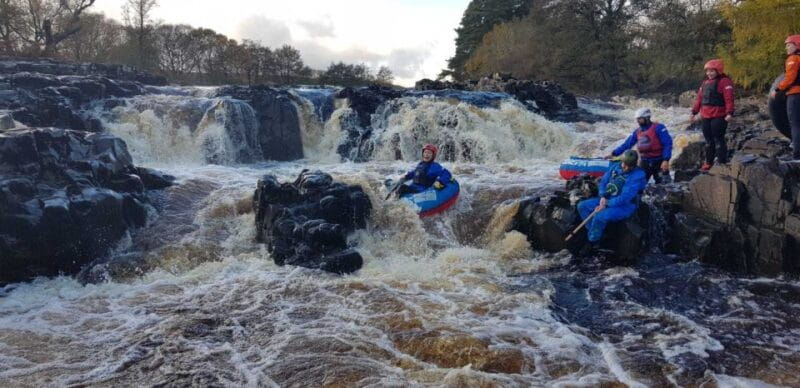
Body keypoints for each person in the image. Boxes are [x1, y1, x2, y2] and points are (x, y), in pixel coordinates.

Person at [577, 150, 647, 250]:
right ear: (622, 161)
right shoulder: (614, 167)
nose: (626, 168)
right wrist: (602, 196)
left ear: (634, 165)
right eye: (624, 164)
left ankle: (593, 242)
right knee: (582, 206)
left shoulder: (638, 176)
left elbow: (625, 197)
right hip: (607, 199)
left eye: (629, 166)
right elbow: (603, 182)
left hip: (625, 206)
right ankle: (594, 233)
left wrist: (608, 203)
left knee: (599, 216)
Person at [606, 108, 672, 184]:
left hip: (659, 162)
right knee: (638, 185)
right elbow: (627, 144)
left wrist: (666, 160)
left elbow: (667, 143)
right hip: (645, 162)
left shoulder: (659, 128)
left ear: (647, 118)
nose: (638, 121)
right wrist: (613, 153)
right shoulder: (637, 132)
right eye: (637, 119)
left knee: (664, 185)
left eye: (640, 119)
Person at [691, 59, 735, 170]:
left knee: (719, 139)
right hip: (706, 115)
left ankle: (721, 162)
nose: (709, 73)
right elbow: (699, 99)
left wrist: (729, 112)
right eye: (707, 71)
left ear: (718, 71)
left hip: (719, 115)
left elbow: (729, 98)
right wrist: (694, 112)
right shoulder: (705, 83)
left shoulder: (724, 82)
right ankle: (708, 162)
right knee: (708, 140)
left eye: (712, 71)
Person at [771, 35, 800, 160]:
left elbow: (789, 78)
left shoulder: (793, 59)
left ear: (797, 45)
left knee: (795, 124)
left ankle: (797, 155)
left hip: (795, 95)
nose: (787, 48)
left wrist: (777, 89)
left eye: (789, 45)